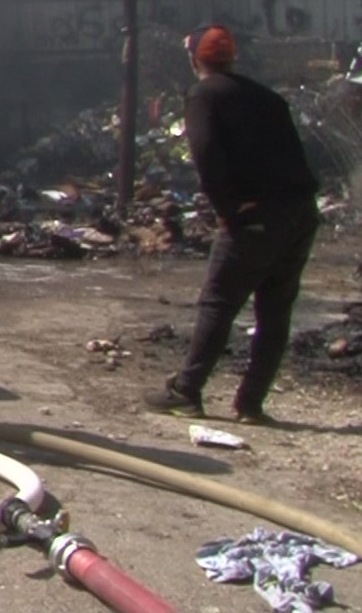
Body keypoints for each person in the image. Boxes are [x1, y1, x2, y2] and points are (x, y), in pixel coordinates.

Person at [145, 24, 319, 423]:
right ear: (232, 58)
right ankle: (251, 404)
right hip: (300, 213)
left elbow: (206, 154)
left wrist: (227, 209)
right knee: (275, 310)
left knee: (218, 304)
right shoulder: (269, 98)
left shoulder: (204, 94)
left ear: (195, 60)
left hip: (255, 215)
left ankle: (186, 392)